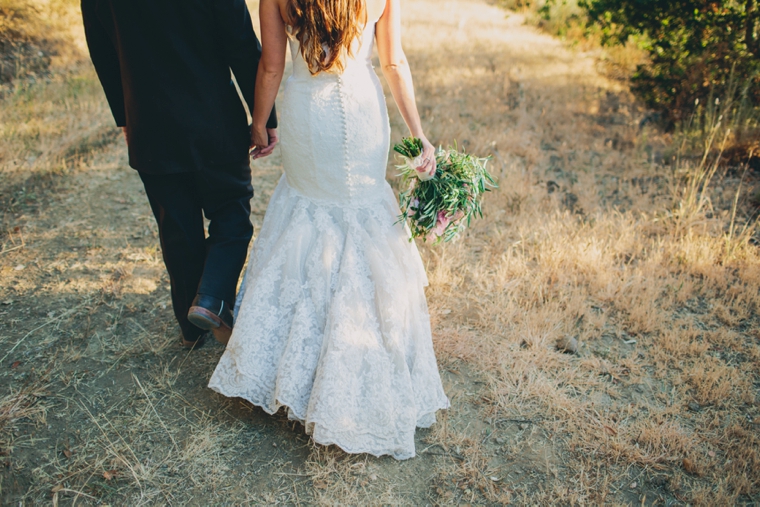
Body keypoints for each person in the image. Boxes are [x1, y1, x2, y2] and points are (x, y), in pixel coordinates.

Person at [209, 0, 449, 459]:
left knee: (307, 214)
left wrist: (259, 123)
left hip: (306, 116)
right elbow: (394, 61)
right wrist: (419, 133)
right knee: (362, 215)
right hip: (362, 110)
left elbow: (272, 66)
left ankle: (297, 373)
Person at [81, 0, 277, 348]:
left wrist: (126, 118)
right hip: (213, 122)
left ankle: (191, 330)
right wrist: (264, 119)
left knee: (177, 226)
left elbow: (103, 53)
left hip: (148, 124)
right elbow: (242, 46)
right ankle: (212, 298)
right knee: (232, 214)